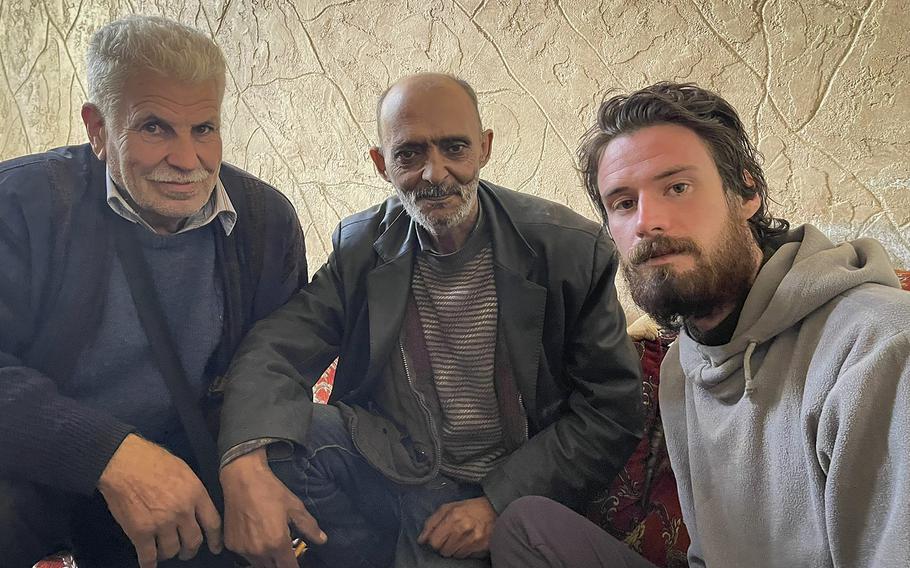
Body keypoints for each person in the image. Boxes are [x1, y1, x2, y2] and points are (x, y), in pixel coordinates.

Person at [216, 72, 644, 568]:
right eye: (409, 154)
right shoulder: (361, 248)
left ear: (484, 148)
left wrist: (498, 501)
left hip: (507, 483)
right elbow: (275, 347)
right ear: (381, 164)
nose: (434, 173)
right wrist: (241, 460)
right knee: (287, 438)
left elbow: (611, 412)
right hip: (397, 464)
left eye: (454, 148)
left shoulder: (568, 250)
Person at [490, 82, 910, 568]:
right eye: (624, 203)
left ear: (746, 191)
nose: (648, 221)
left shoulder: (880, 348)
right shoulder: (681, 361)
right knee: (527, 527)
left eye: (677, 187)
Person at [0, 15, 306, 568]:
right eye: (155, 128)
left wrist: (247, 453)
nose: (187, 161)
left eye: (204, 129)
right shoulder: (21, 204)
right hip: (34, 457)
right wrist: (107, 454)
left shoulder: (265, 221)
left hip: (186, 458)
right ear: (98, 127)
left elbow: (276, 359)